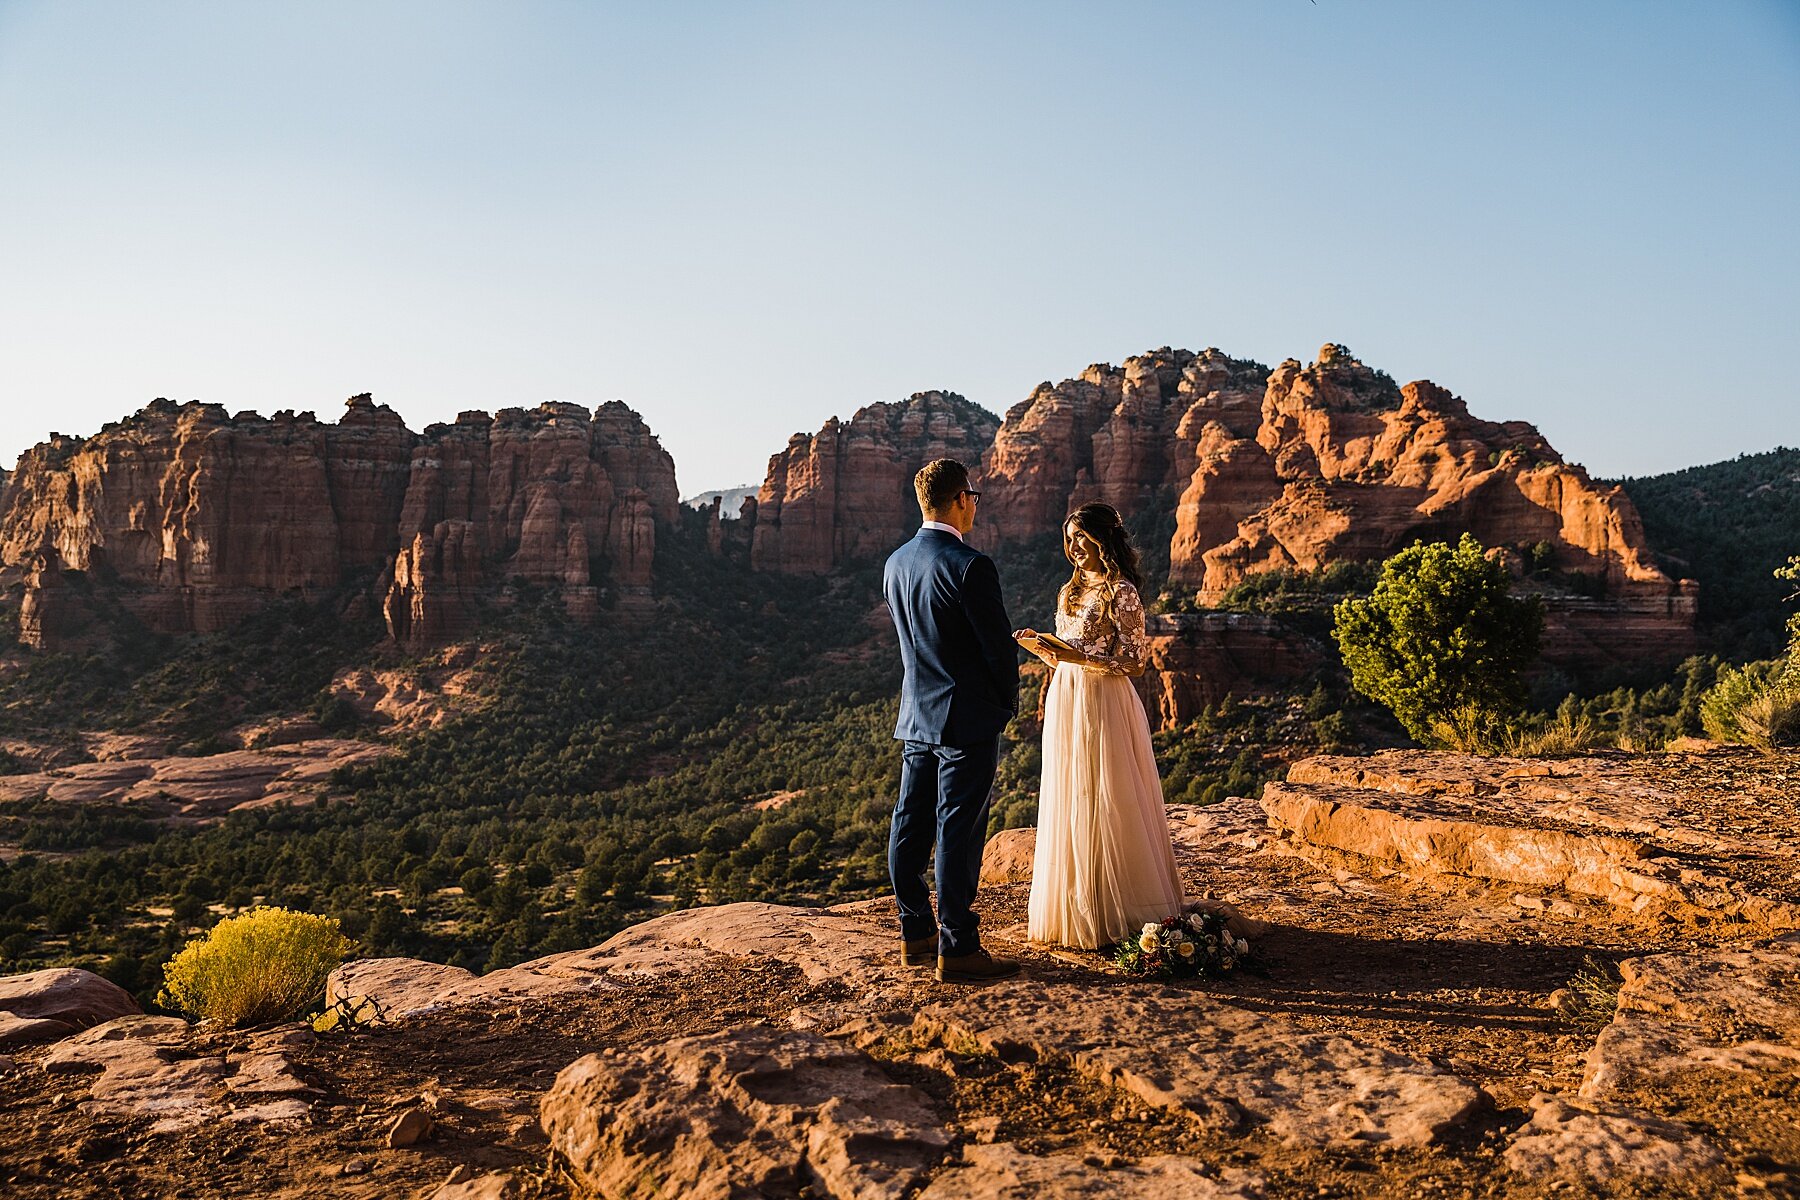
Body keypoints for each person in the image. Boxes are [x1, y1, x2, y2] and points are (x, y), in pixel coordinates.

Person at [1013, 503, 1186, 949]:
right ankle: (1078, 903)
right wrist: (1041, 648)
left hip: (1105, 699)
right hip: (1066, 697)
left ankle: (1123, 907)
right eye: (1069, 539)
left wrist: (1078, 658)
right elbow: (1062, 655)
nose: (1074, 547)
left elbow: (1135, 662)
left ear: (1103, 539)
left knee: (1110, 791)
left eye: (1082, 538)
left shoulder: (1122, 591)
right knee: (1073, 793)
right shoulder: (1068, 592)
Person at [882, 458, 1022, 983]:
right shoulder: (970, 565)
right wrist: (1005, 705)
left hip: (916, 717)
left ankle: (915, 933)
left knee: (909, 824)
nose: (976, 507)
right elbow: (997, 653)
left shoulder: (895, 564)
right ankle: (958, 948)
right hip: (966, 722)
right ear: (961, 499)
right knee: (957, 832)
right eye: (975, 497)